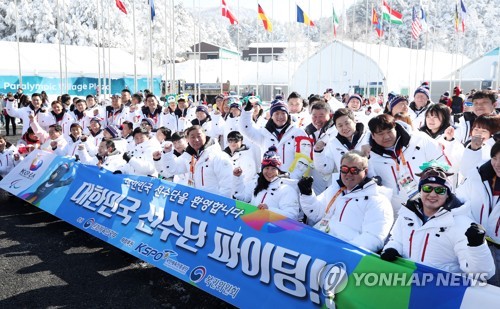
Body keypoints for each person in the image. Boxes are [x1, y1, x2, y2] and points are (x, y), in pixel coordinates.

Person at [381, 166, 495, 281]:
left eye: (440, 190)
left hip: (441, 291)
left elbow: (483, 274)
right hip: (407, 285)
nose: (432, 194)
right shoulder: (407, 215)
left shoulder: (461, 224)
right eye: (427, 188)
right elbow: (397, 240)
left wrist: (477, 247)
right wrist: (392, 249)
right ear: (420, 191)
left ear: (448, 194)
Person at [299, 151, 393, 252]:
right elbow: (316, 214)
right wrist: (307, 194)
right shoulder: (335, 190)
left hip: (342, 257)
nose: (348, 174)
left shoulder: (377, 200)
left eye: (354, 170)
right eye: (344, 169)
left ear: (365, 172)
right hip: (319, 245)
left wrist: (344, 252)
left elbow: (373, 238)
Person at [367, 114, 446, 214]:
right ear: (373, 136)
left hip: (430, 204)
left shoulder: (419, 140)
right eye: (380, 133)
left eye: (389, 131)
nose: (386, 136)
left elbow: (443, 164)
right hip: (395, 211)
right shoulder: (370, 157)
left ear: (395, 128)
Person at [456, 141, 500, 286]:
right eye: (494, 158)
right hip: (476, 245)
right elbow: (460, 203)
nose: (497, 164)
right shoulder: (478, 176)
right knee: (476, 291)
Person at [156, 125, 233, 197]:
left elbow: (227, 183)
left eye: (199, 136)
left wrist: (221, 203)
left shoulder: (217, 155)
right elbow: (173, 169)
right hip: (196, 202)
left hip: (213, 203)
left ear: (205, 136)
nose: (196, 140)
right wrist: (167, 154)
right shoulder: (188, 156)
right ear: (187, 139)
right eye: (192, 137)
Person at [234, 146, 301, 221]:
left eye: (273, 169)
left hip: (273, 230)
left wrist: (269, 210)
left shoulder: (286, 189)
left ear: (279, 171)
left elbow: (292, 216)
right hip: (252, 225)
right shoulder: (256, 183)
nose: (269, 172)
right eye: (267, 168)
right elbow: (242, 197)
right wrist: (238, 178)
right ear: (262, 170)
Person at [240, 100, 308, 172]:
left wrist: (295, 176)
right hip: (269, 178)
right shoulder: (264, 133)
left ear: (287, 115)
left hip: (290, 179)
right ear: (271, 116)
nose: (280, 116)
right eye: (277, 113)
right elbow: (246, 129)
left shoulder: (298, 132)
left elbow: (305, 157)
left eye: (283, 113)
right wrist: (247, 110)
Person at [314, 108, 370, 191]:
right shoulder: (333, 143)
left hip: (368, 185)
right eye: (340, 125)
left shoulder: (368, 137)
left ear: (354, 121)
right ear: (336, 127)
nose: (344, 128)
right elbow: (326, 169)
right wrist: (318, 152)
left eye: (347, 123)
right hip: (346, 187)